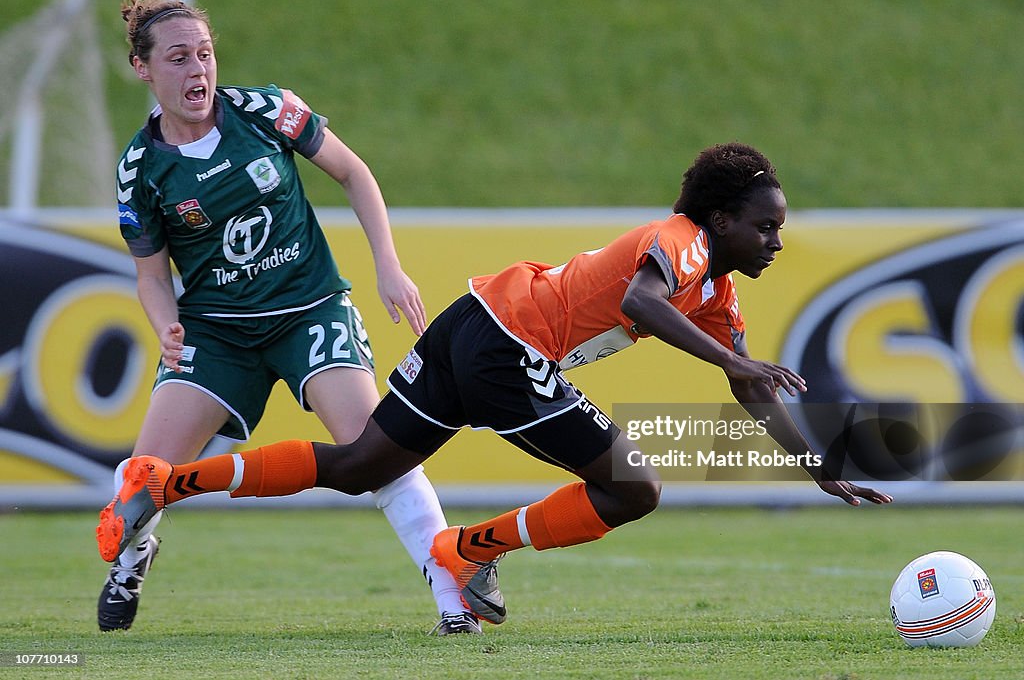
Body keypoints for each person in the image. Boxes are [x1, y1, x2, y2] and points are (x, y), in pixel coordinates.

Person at [98, 142, 894, 627]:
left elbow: (751, 389)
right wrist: (734, 361)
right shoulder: (680, 243)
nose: (776, 239)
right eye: (766, 224)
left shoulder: (717, 294)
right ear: (720, 221)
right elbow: (639, 301)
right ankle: (467, 551)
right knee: (636, 486)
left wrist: (812, 461)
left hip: (472, 318)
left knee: (359, 467)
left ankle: (165, 483)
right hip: (510, 347)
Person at [98, 0, 483, 636]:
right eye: (178, 59)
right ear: (143, 68)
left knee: (376, 449)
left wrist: (388, 264)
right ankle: (133, 558)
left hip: (309, 308)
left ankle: (453, 593)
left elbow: (354, 174)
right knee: (140, 480)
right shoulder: (140, 170)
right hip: (217, 330)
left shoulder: (267, 111)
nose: (198, 71)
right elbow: (151, 274)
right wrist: (165, 323)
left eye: (205, 54)